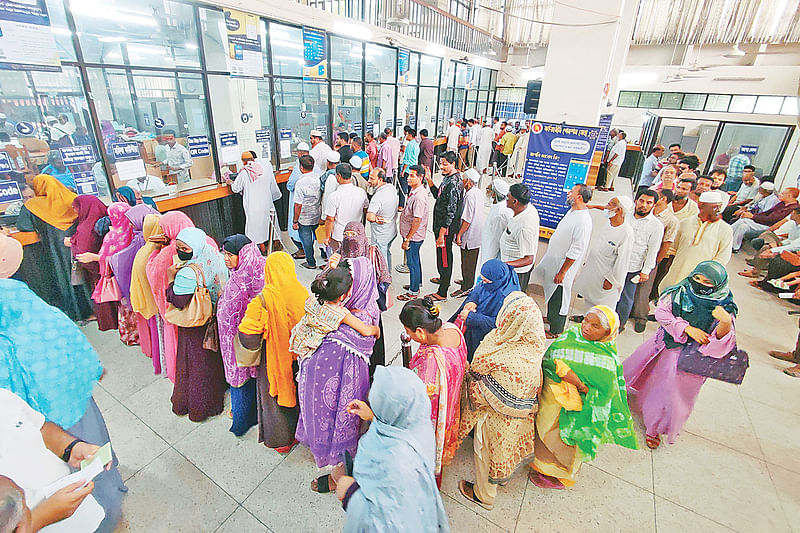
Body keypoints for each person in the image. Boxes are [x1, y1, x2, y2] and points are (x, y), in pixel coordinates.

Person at [0, 266, 126, 532]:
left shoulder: (11, 295)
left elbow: (31, 421)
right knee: (97, 459)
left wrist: (69, 448)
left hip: (56, 416)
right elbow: (63, 333)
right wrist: (41, 517)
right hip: (68, 396)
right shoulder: (16, 296)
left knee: (90, 460)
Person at [624, 261, 737, 448]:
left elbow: (723, 340)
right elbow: (662, 313)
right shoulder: (678, 292)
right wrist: (686, 328)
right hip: (664, 343)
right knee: (643, 369)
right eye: (697, 278)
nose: (700, 284)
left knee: (671, 392)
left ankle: (655, 427)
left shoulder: (725, 306)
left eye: (708, 282)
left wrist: (724, 322)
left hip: (690, 358)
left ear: (718, 285)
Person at [454, 292, 545, 509]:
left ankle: (483, 496)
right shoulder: (533, 343)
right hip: (519, 419)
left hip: (493, 418)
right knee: (505, 451)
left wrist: (465, 374)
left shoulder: (508, 358)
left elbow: (482, 395)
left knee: (485, 454)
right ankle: (499, 480)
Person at [530, 305, 638, 488]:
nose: (586, 327)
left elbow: (603, 394)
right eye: (586, 321)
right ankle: (543, 467)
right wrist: (556, 372)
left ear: (608, 332)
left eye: (595, 326)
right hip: (552, 402)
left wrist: (578, 384)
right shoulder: (571, 335)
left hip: (576, 412)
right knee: (545, 435)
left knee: (564, 444)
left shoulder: (606, 359)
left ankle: (559, 476)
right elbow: (549, 358)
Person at [296, 256, 379, 492]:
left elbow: (361, 334)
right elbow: (370, 332)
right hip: (337, 382)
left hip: (340, 390)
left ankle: (339, 476)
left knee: (342, 427)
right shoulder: (359, 307)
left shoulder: (345, 316)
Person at [332, 366, 449, 533]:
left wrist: (351, 495)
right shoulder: (419, 423)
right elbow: (399, 427)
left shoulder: (395, 462)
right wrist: (374, 416)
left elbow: (388, 523)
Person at [0, 391, 115, 533]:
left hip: (83, 513)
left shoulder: (4, 398)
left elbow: (41, 427)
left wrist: (71, 447)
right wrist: (41, 518)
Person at [237, 252, 308, 451]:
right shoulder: (301, 292)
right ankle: (301, 431)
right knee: (299, 394)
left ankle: (282, 441)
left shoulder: (263, 301)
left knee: (274, 402)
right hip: (300, 356)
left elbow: (247, 335)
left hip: (274, 358)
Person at [399, 297, 467, 488]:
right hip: (451, 409)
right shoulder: (453, 329)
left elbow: (419, 400)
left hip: (433, 421)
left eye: (408, 331)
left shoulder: (432, 362)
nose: (408, 335)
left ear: (420, 332)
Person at [166, 227, 228, 422]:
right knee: (212, 358)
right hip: (215, 315)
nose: (179, 251)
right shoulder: (213, 255)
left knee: (196, 364)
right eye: (177, 247)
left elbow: (177, 299)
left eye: (183, 247)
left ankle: (200, 406)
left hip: (195, 323)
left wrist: (170, 279)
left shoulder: (187, 273)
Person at [15, 174, 93, 321]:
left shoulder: (33, 205)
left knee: (65, 278)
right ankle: (93, 310)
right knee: (85, 276)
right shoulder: (73, 198)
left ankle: (76, 313)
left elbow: (24, 226)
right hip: (80, 245)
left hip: (55, 251)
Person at [145, 211, 210, 382]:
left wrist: (155, 251)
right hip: (208, 306)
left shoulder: (169, 251)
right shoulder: (203, 238)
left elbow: (153, 274)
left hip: (185, 313)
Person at [215, 235, 265, 436]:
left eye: (230, 255)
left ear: (243, 255)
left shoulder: (239, 282)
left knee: (240, 379)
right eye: (224, 254)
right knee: (251, 376)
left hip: (238, 342)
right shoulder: (256, 270)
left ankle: (242, 420)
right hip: (250, 341)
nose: (226, 259)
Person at [531, 183, 593, 338]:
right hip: (555, 263)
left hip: (563, 268)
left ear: (579, 197)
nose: (568, 193)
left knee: (560, 297)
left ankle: (556, 330)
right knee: (552, 294)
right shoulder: (574, 212)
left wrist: (563, 271)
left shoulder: (583, 221)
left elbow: (576, 249)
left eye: (572, 191)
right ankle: (551, 318)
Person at [290, 261, 380, 362]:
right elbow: (365, 330)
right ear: (342, 296)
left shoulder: (312, 300)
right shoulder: (341, 314)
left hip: (300, 340)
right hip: (312, 349)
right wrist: (377, 330)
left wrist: (331, 266)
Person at [78, 203, 137, 344]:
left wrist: (94, 258)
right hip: (136, 276)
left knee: (127, 307)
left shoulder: (113, 236)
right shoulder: (136, 230)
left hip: (121, 279)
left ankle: (132, 336)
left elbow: (109, 258)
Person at [449, 259, 521, 362]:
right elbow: (478, 288)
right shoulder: (499, 278)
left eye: (486, 281)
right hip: (476, 315)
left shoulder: (506, 298)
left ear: (497, 281)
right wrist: (472, 301)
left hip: (484, 334)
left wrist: (471, 317)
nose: (483, 283)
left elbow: (499, 325)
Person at [660, 191, 732, 292]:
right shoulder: (685, 223)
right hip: (678, 272)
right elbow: (673, 249)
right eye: (714, 207)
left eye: (719, 206)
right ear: (701, 205)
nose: (718, 210)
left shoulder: (725, 229)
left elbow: (723, 257)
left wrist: (707, 275)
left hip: (701, 279)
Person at [109, 204, 160, 347]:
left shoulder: (141, 239)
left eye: (132, 221)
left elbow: (121, 260)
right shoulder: (149, 236)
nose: (130, 224)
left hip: (147, 293)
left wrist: (110, 259)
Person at [573, 196, 634, 312]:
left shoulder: (626, 232)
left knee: (602, 311)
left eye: (610, 204)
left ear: (618, 210)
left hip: (606, 280)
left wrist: (610, 280)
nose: (606, 207)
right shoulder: (609, 223)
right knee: (589, 304)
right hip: (593, 273)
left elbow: (622, 262)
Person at [615, 190, 664, 330]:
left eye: (649, 203)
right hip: (615, 262)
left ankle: (620, 324)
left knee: (626, 296)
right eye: (641, 201)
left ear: (653, 205)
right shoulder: (625, 215)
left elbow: (652, 250)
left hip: (633, 266)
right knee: (609, 292)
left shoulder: (656, 226)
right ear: (636, 201)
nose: (644, 205)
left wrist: (646, 271)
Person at [66, 195, 114, 330]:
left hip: (98, 269)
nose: (75, 211)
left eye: (76, 208)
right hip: (111, 266)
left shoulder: (85, 226)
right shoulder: (108, 218)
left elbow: (82, 249)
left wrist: (71, 242)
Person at [635, 189, 679, 330]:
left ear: (662, 199)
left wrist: (655, 262)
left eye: (651, 201)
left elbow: (667, 243)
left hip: (651, 258)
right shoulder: (642, 213)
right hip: (634, 256)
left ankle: (641, 318)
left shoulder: (671, 220)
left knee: (644, 290)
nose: (646, 204)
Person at [426, 151, 464, 302]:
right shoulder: (447, 179)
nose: (442, 167)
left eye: (445, 164)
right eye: (440, 164)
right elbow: (439, 197)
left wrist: (442, 233)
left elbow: (451, 211)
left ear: (453, 164)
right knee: (441, 256)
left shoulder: (454, 184)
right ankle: (443, 278)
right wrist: (430, 182)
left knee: (444, 257)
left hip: (445, 229)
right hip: (440, 227)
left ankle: (442, 291)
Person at [129, 213, 164, 375]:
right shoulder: (154, 252)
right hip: (156, 304)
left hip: (148, 301)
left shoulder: (143, 249)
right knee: (161, 337)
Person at [229, 150, 281, 250]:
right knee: (271, 224)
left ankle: (262, 248)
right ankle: (276, 243)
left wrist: (230, 182)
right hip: (267, 203)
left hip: (253, 205)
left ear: (244, 161)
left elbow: (235, 188)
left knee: (255, 228)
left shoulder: (245, 173)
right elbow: (272, 185)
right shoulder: (265, 169)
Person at [731, 187, 800, 253]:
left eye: (783, 194)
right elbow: (767, 212)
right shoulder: (782, 203)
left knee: (743, 220)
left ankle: (726, 234)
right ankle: (734, 246)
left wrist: (752, 217)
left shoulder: (793, 208)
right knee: (743, 226)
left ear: (789, 196)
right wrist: (753, 216)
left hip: (769, 226)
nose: (780, 195)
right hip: (763, 222)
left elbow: (772, 219)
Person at [397, 165, 429, 301]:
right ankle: (416, 283)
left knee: (412, 262)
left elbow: (417, 219)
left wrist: (408, 239)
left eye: (412, 176)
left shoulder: (419, 197)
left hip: (414, 236)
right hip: (412, 234)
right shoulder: (415, 191)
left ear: (420, 178)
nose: (408, 178)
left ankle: (413, 291)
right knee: (415, 259)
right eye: (409, 175)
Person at [499, 183, 540, 290]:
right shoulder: (527, 208)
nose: (506, 199)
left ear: (515, 201)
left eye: (508, 197)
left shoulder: (524, 227)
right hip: (511, 267)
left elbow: (528, 259)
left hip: (517, 273)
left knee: (511, 301)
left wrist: (505, 265)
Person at [739, 207, 800, 278]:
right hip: (785, 243)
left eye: (793, 213)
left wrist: (772, 250)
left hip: (795, 251)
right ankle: (772, 246)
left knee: (766, 247)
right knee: (768, 234)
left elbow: (794, 246)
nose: (791, 215)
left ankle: (755, 272)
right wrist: (779, 244)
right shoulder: (794, 224)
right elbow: (790, 239)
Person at [323, 164, 369, 253]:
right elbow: (365, 210)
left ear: (339, 176)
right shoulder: (361, 192)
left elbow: (330, 219)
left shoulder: (334, 196)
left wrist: (327, 237)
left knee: (338, 259)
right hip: (355, 232)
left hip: (339, 234)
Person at [453, 168, 484, 297]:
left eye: (464, 180)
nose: (462, 182)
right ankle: (466, 280)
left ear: (468, 182)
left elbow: (467, 219)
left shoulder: (470, 195)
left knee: (468, 262)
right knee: (467, 261)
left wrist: (459, 235)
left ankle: (467, 286)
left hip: (470, 235)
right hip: (475, 234)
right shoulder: (477, 192)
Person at [366, 168, 398, 270]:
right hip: (391, 230)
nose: (369, 181)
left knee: (381, 259)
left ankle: (384, 281)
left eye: (372, 178)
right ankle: (388, 274)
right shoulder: (391, 188)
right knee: (386, 253)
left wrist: (375, 218)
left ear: (380, 180)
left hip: (380, 234)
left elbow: (370, 216)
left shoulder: (378, 197)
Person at [477, 179, 512, 270]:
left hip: (491, 257)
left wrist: (487, 265)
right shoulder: (498, 206)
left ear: (494, 194)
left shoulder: (500, 214)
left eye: (488, 189)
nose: (486, 190)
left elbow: (495, 242)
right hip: (487, 249)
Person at [286, 142, 311, 258]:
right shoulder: (312, 164)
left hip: (299, 203)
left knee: (298, 230)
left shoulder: (299, 167)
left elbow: (290, 184)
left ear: (299, 153)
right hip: (312, 204)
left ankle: (302, 251)